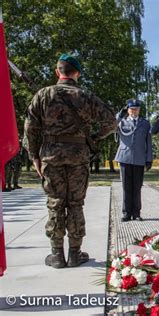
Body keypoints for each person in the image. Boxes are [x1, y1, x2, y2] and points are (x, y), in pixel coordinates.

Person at [24, 54, 116, 268]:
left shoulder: (43, 94)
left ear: (58, 72)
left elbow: (30, 128)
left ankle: (57, 255)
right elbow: (111, 122)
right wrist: (93, 137)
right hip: (78, 157)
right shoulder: (86, 96)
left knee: (55, 204)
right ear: (77, 73)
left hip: (51, 157)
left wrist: (34, 156)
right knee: (75, 203)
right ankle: (75, 253)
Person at [115, 99, 153, 222]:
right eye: (131, 109)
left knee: (137, 187)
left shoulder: (145, 124)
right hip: (124, 158)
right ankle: (126, 213)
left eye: (136, 109)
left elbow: (148, 142)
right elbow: (111, 125)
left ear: (139, 110)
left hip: (139, 159)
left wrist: (149, 159)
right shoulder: (122, 122)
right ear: (128, 110)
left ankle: (136, 213)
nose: (134, 111)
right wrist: (119, 115)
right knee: (126, 187)